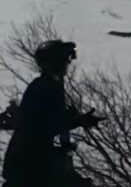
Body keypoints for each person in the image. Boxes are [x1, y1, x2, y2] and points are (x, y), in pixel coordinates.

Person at [2, 40, 103, 186]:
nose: (67, 64)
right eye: (64, 60)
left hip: (37, 163)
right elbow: (39, 126)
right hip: (29, 167)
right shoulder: (42, 87)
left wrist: (77, 120)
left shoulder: (50, 85)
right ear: (54, 62)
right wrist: (74, 121)